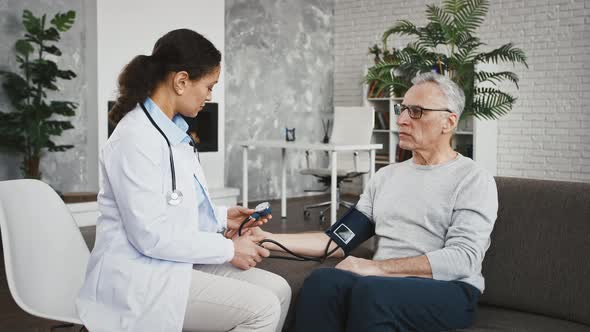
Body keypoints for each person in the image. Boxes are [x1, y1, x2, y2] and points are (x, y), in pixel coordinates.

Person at [76, 29, 291, 332]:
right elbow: (150, 235)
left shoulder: (174, 133)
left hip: (168, 262)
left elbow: (173, 203)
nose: (209, 97)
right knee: (263, 309)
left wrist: (221, 217)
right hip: (138, 276)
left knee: (279, 289)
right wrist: (230, 250)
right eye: (208, 86)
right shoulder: (134, 138)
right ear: (181, 81)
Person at [250, 72, 498, 331]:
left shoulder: (473, 179)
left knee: (372, 291)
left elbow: (463, 258)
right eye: (401, 109)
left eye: (416, 112)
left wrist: (378, 268)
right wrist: (265, 237)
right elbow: (336, 240)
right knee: (321, 281)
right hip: (381, 283)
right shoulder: (386, 177)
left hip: (450, 290)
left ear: (448, 122)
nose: (401, 120)